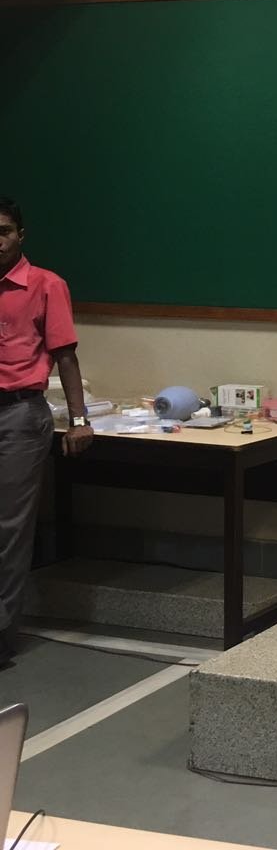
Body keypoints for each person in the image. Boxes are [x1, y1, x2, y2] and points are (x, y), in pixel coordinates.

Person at [0, 196, 93, 668]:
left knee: (8, 530)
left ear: (20, 235)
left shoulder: (45, 284)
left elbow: (66, 357)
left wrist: (78, 420)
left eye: (3, 231)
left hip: (18, 415)